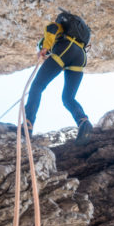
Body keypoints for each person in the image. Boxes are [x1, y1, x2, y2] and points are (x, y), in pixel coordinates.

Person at [24, 9, 93, 145]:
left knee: (37, 86)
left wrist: (45, 47)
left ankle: (28, 123)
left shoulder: (58, 31)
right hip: (80, 56)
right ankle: (83, 121)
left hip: (66, 49)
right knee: (68, 98)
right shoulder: (76, 34)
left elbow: (52, 27)